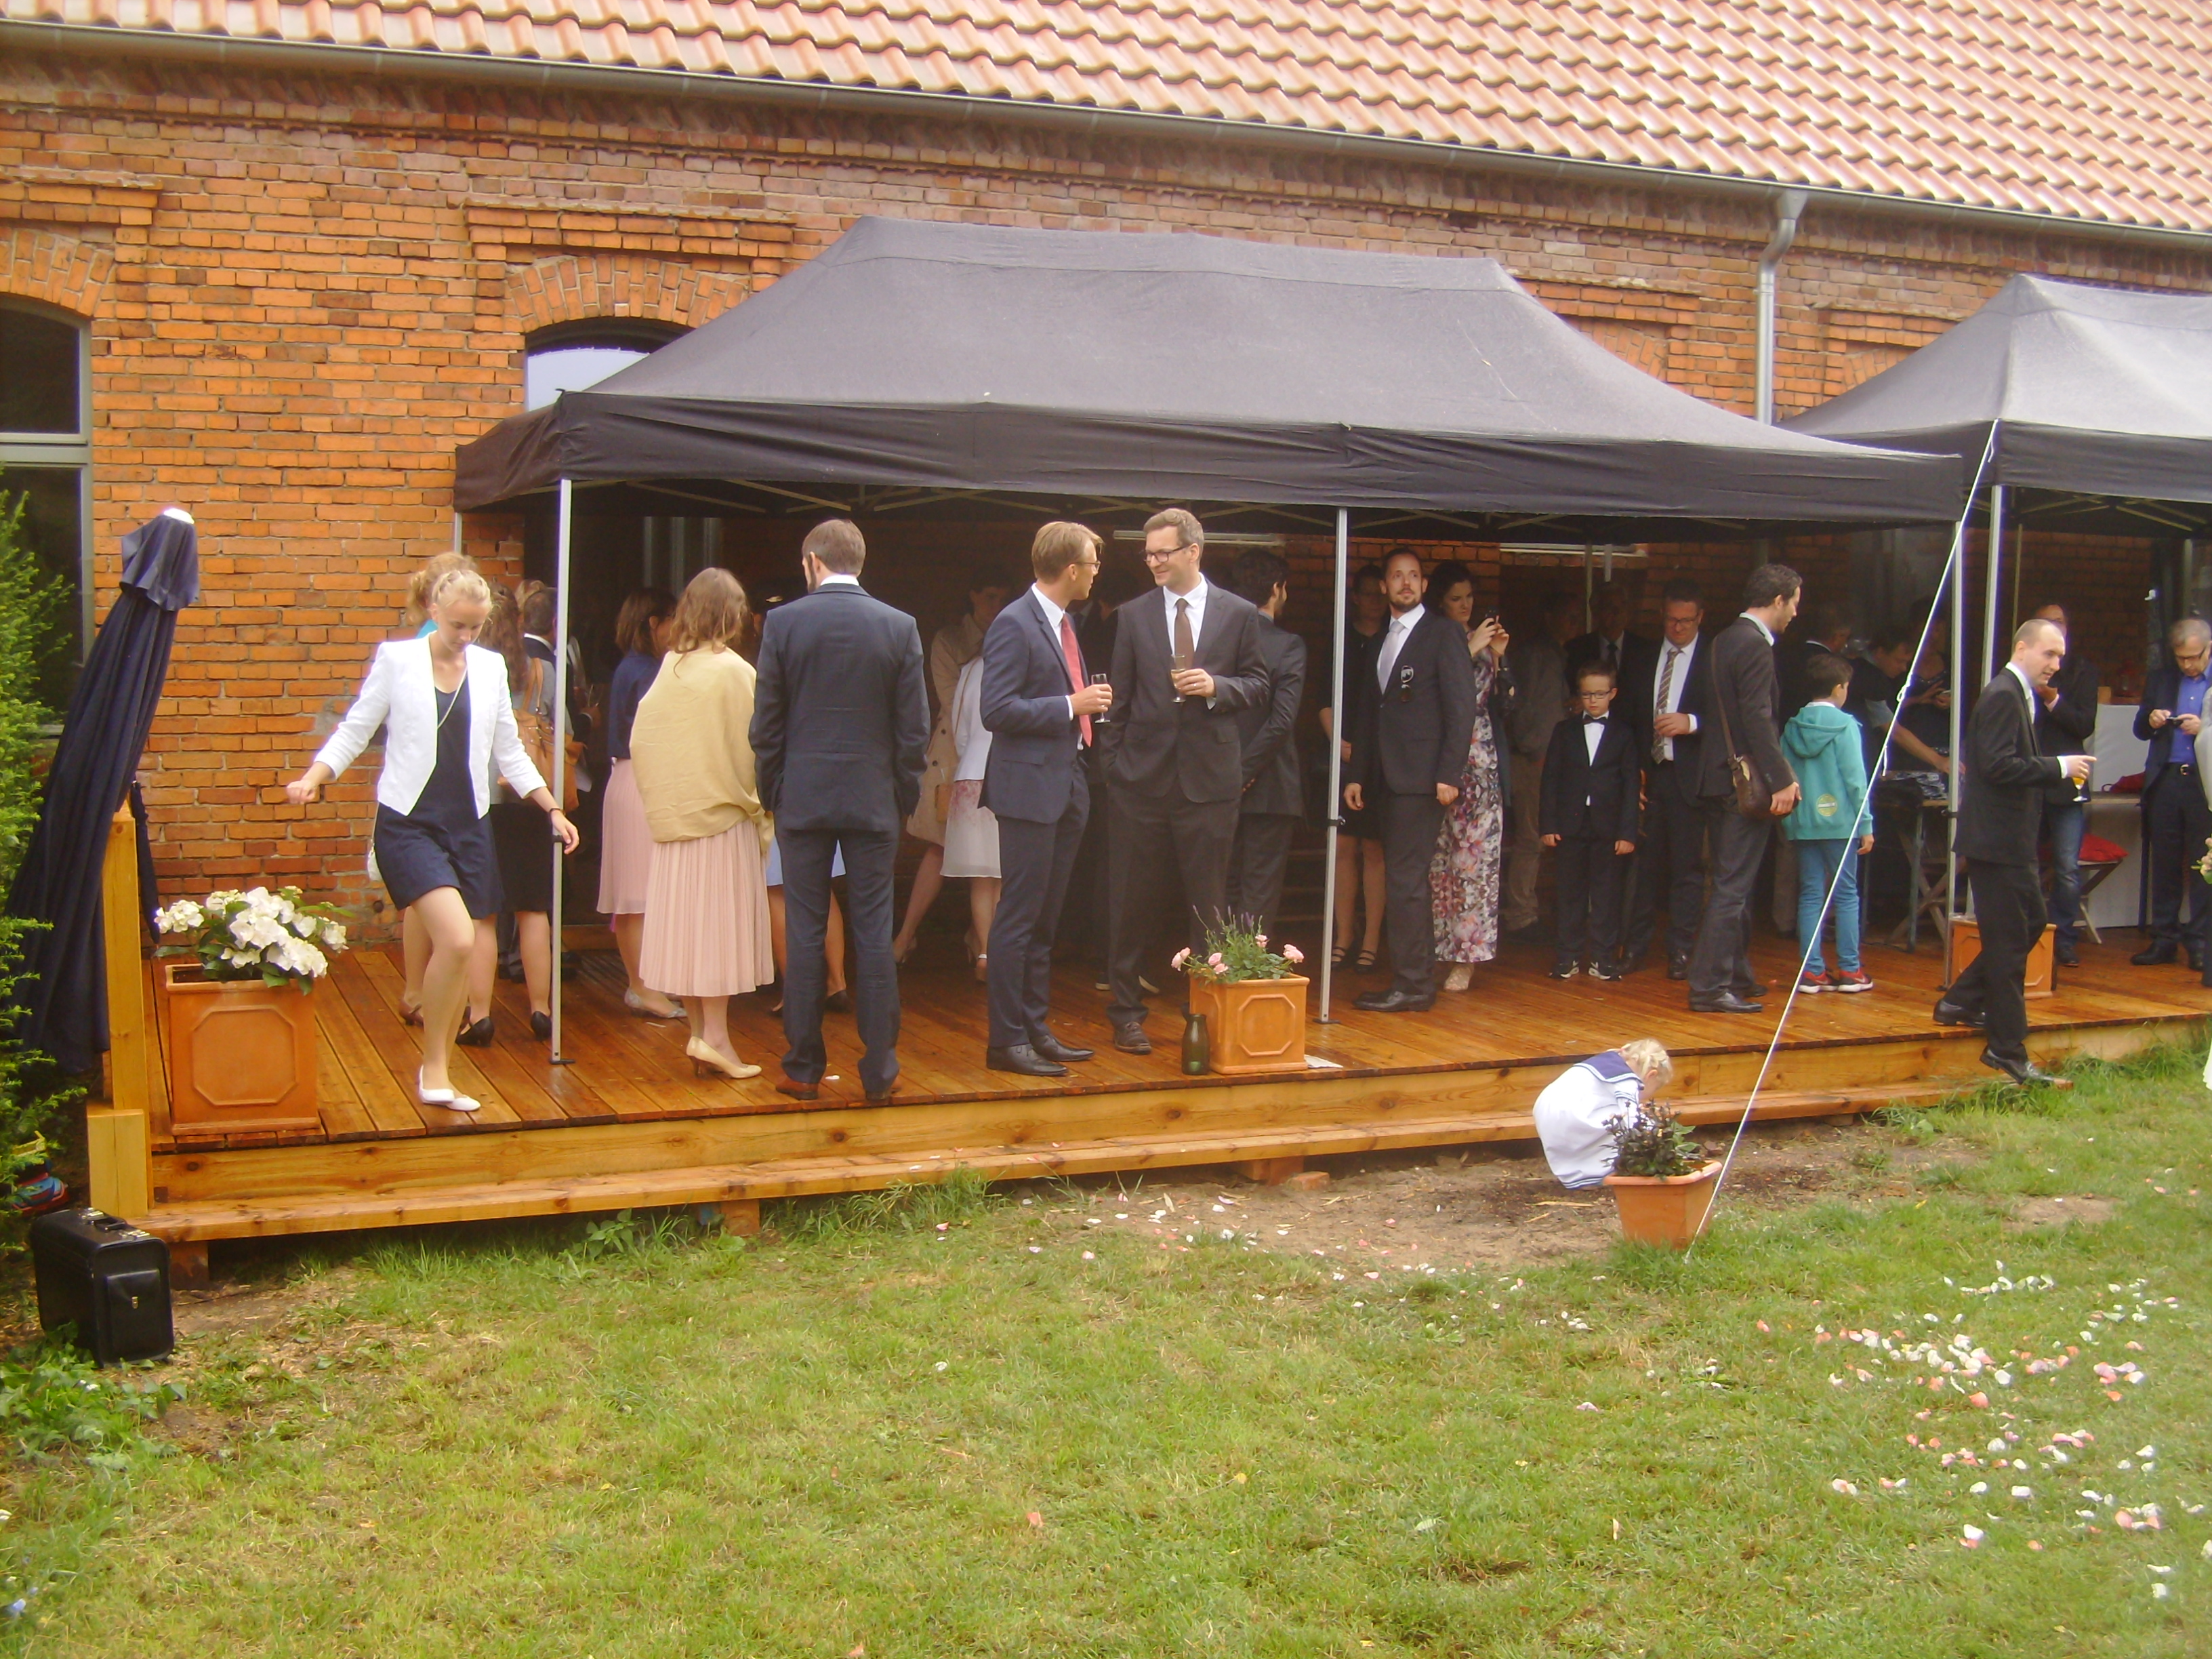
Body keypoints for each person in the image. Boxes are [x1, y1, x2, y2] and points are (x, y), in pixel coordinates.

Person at [286, 569, 579, 1113]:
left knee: (460, 943)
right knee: (461, 939)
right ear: (435, 613)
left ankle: (437, 1067)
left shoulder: (490, 668)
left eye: (475, 627)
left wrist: (552, 808)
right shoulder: (398, 660)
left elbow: (509, 750)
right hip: (407, 822)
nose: (466, 637)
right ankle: (436, 1067)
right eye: (456, 626)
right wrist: (316, 775)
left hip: (469, 824)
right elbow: (356, 726)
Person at [751, 519, 929, 1104]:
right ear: (859, 561)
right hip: (874, 798)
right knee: (874, 934)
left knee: (805, 932)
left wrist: (773, 791)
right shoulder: (899, 627)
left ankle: (803, 1067)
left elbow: (767, 727)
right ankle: (881, 1069)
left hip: (801, 796)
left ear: (812, 562)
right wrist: (902, 796)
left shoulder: (783, 622)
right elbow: (914, 730)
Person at [1099, 508, 1268, 1053]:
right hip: (1140, 781)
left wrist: (1217, 686)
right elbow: (1117, 702)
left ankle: (1206, 1010)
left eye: (1162, 553)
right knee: (1131, 902)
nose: (1153, 562)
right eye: (1148, 554)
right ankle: (1126, 1012)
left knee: (1208, 904)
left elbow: (1260, 684)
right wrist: (1114, 769)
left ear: (1194, 552)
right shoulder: (1131, 615)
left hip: (1209, 781)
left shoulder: (1239, 613)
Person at [978, 521, 1115, 1076]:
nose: (1098, 571)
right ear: (1072, 570)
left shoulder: (1063, 621)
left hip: (1065, 784)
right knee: (1018, 917)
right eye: (1093, 563)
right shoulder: (1015, 622)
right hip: (1029, 791)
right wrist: (1070, 705)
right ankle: (1006, 1041)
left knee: (1044, 919)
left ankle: (1035, 1028)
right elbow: (997, 709)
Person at [628, 569, 774, 1082]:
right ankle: (715, 1038)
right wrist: (759, 805)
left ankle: (698, 1033)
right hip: (721, 818)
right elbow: (754, 748)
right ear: (732, 616)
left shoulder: (670, 667)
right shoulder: (733, 671)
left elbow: (642, 743)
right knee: (716, 935)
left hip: (675, 823)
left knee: (690, 934)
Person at [1935, 619, 2092, 1085]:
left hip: (2012, 841)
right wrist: (2058, 767)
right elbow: (1997, 765)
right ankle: (2007, 1049)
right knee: (2009, 944)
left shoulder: (2016, 694)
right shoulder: (2003, 694)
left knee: (2028, 926)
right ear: (2022, 648)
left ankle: (1960, 1000)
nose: (2056, 665)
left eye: (2061, 656)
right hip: (1996, 842)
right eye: (2049, 654)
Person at [1344, 548, 1477, 1013]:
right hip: (1385, 778)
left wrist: (1449, 773)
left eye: (1414, 576)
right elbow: (1368, 711)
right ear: (1384, 586)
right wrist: (1356, 774)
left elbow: (1462, 708)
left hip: (1422, 780)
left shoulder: (1442, 633)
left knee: (1405, 881)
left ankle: (1414, 985)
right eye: (1397, 576)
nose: (1405, 583)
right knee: (1403, 879)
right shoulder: (1382, 638)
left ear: (1424, 586)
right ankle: (1410, 980)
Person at [1687, 565, 1804, 1015]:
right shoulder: (1755, 646)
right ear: (1777, 600)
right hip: (1743, 783)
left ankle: (1736, 973)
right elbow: (1757, 718)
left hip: (1716, 776)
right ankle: (1710, 986)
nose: (1796, 611)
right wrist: (1782, 779)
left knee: (1726, 881)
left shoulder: (1723, 639)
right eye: (1793, 601)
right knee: (1732, 887)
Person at [894, 565, 1014, 966]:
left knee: (988, 867)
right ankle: (912, 935)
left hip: (971, 756)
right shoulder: (951, 640)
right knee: (943, 851)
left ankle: (981, 944)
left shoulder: (983, 660)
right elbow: (951, 702)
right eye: (990, 597)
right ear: (973, 596)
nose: (997, 606)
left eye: (1002, 598)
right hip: (953, 758)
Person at [1426, 560, 1514, 991]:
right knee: (1440, 863)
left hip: (1480, 762)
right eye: (1456, 599)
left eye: (1469, 598)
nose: (1465, 606)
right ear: (1440, 601)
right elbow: (1434, 691)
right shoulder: (1436, 638)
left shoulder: (1482, 642)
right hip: (1441, 759)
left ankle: (1468, 957)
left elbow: (1512, 703)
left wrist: (1498, 656)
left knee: (1475, 864)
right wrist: (1469, 648)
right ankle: (1439, 950)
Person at [482, 585, 563, 1041]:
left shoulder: (467, 672)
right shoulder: (542, 671)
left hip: (482, 801)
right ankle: (540, 1008)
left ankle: (478, 1014)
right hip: (531, 798)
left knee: (483, 915)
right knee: (534, 910)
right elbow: (563, 731)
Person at [598, 586, 680, 1020]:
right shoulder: (648, 669)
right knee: (639, 896)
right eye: (672, 619)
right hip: (642, 779)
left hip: (627, 778)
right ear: (655, 623)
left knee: (634, 894)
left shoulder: (632, 667)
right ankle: (642, 986)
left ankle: (644, 985)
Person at [1622, 579, 1711, 979]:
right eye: (1672, 621)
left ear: (1700, 618)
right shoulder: (1641, 656)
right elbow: (1625, 718)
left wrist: (1690, 722)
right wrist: (1632, 774)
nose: (1678, 629)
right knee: (1642, 867)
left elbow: (1731, 716)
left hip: (1689, 776)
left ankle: (1680, 951)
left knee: (1687, 867)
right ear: (1662, 616)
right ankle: (1635, 948)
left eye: (1687, 622)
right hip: (1649, 774)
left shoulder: (1712, 657)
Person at [1225, 548, 1306, 942]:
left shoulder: (1219, 642)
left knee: (1223, 883)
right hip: (1272, 786)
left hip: (1218, 782)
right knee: (1259, 888)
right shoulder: (1288, 645)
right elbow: (1282, 721)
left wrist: (1233, 772)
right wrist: (1246, 772)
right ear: (1276, 589)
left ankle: (1215, 973)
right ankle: (1245, 979)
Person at [1539, 663, 1640, 980]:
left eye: (1599, 694)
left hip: (1608, 827)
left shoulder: (1624, 734)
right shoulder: (1563, 730)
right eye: (1586, 694)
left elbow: (1630, 786)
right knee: (1570, 893)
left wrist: (1628, 831)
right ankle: (1567, 957)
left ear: (1612, 694)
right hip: (1570, 824)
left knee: (1607, 894)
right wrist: (1548, 825)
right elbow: (1550, 780)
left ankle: (1603, 958)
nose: (1593, 701)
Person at [1782, 653, 1875, 994]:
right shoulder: (1847, 725)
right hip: (1841, 824)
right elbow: (1855, 779)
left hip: (1804, 822)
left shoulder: (1792, 726)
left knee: (1810, 894)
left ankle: (1811, 972)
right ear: (1839, 689)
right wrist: (1866, 822)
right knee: (1846, 894)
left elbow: (1784, 775)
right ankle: (1850, 970)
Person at [2132, 618, 2212, 971]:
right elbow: (2138, 728)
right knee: (2163, 862)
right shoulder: (2163, 679)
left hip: (2202, 782)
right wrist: (2151, 719)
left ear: (2209, 648)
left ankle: (2199, 942)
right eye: (2182, 658)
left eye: (2195, 657)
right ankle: (2164, 939)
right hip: (2166, 779)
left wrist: (2205, 729)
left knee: (2202, 863)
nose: (2188, 665)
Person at [1323, 560, 1390, 969]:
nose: (1374, 601)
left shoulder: (1394, 639)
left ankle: (1371, 940)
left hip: (1383, 759)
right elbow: (1321, 697)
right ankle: (1343, 936)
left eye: (1379, 593)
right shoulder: (1340, 640)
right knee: (1343, 846)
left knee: (1375, 849)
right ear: (1354, 597)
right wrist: (1340, 745)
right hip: (1342, 754)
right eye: (1367, 593)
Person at [2028, 602, 2100, 968]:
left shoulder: (2082, 670)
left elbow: (2084, 725)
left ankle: (2064, 937)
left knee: (2067, 866)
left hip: (2068, 781)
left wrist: (2053, 700)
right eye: (2047, 624)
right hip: (2029, 778)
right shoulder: (2023, 670)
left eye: (2059, 623)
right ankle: (2027, 935)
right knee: (2022, 859)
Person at [1504, 589, 1578, 937]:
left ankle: (1527, 911)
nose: (1573, 624)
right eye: (1568, 616)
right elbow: (1526, 708)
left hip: (1547, 757)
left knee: (1537, 836)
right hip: (1535, 759)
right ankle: (1521, 915)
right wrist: (1533, 750)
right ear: (1549, 617)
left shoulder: (1556, 654)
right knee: (1531, 837)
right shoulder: (1537, 655)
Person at [1532, 1038, 1674, 1190]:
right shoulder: (1627, 1080)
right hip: (1572, 1119)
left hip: (1548, 1113)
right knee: (1642, 1123)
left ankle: (1580, 1174)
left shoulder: (1605, 1062)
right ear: (1650, 1076)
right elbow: (1633, 1123)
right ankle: (1601, 1172)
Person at [943, 650, 1003, 983]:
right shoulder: (1022, 661)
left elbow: (960, 731)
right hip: (1009, 773)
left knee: (981, 875)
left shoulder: (969, 669)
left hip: (971, 772)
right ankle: (1003, 951)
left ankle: (984, 951)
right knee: (1007, 871)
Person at [1566, 581, 1652, 687]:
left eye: (1622, 605)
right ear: (1595, 611)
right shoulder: (1576, 650)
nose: (1617, 612)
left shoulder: (1644, 650)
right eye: (1609, 606)